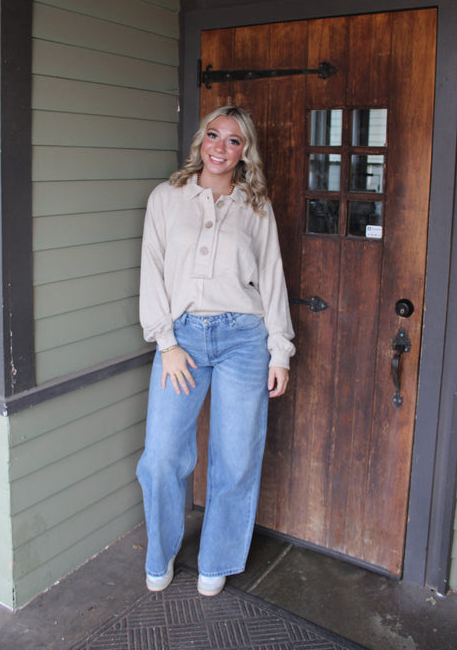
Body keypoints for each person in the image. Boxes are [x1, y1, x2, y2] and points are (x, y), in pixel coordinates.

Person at [136, 105, 295, 597]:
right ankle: (160, 552)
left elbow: (271, 279)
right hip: (181, 339)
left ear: (245, 151)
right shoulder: (167, 197)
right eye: (213, 135)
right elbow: (152, 271)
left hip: (244, 341)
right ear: (200, 141)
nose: (220, 147)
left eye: (233, 140)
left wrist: (280, 351)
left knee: (236, 456)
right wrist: (166, 342)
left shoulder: (256, 205)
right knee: (162, 456)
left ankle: (217, 558)